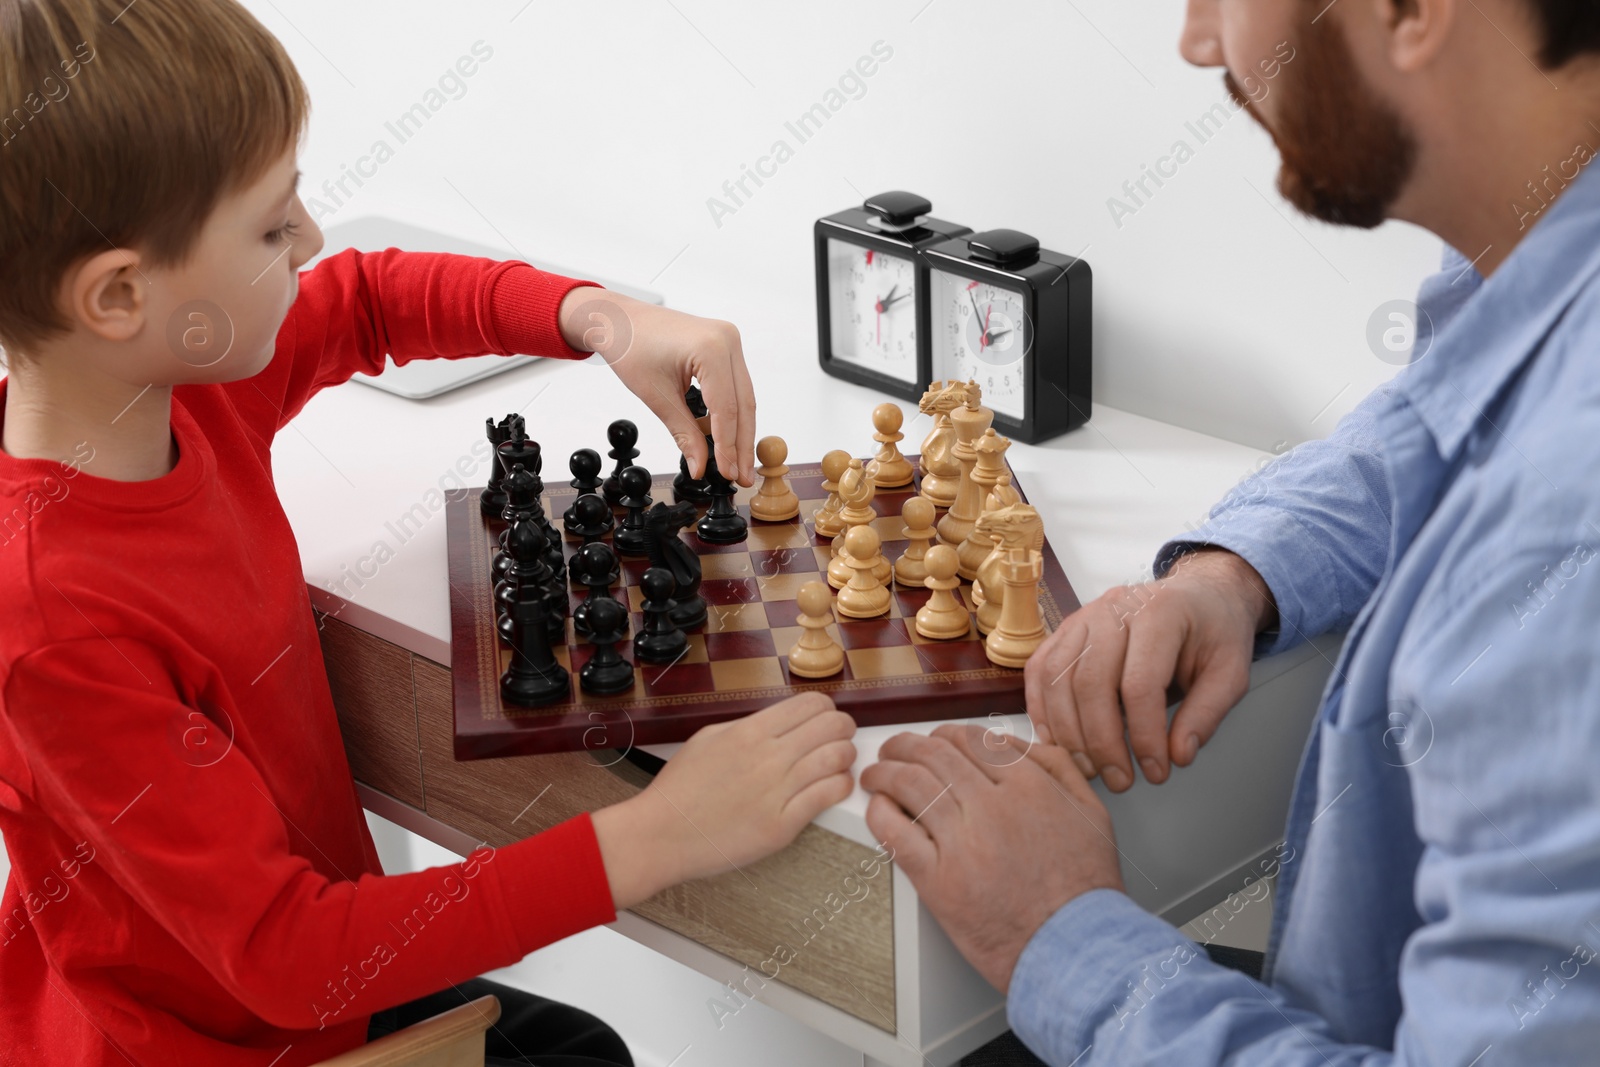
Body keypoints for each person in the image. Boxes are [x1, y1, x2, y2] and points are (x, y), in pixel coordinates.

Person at [0, 2, 857, 1064]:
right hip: (207, 1038)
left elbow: (365, 300)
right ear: (122, 292)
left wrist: (600, 317)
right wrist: (656, 836)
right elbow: (289, 950)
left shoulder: (169, 390)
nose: (312, 241)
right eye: (273, 228)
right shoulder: (51, 621)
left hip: (273, 991)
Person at [865, 0, 1600, 1063]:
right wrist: (1233, 570)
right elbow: (1447, 411)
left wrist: (1058, 936)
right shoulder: (1551, 241)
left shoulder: (1561, 539)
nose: (1199, 41)